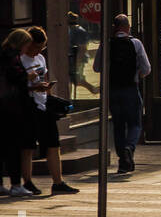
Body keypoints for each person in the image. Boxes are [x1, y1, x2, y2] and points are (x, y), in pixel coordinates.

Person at [18, 27, 75, 195]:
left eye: (42, 48)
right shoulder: (21, 60)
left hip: (43, 104)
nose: (38, 51)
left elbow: (45, 78)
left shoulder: (41, 58)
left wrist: (48, 92)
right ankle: (27, 181)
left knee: (53, 144)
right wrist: (34, 86)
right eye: (36, 47)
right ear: (28, 44)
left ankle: (58, 181)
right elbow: (17, 85)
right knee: (28, 146)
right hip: (29, 106)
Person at [93, 14, 151, 174]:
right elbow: (146, 69)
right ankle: (129, 148)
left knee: (118, 125)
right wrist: (137, 73)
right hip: (131, 89)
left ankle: (122, 161)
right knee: (135, 123)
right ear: (127, 27)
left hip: (112, 91)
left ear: (115, 27)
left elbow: (96, 67)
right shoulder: (135, 43)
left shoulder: (106, 44)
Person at [1, 29, 39, 196]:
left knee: (2, 147)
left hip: (3, 106)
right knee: (13, 148)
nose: (27, 48)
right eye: (26, 45)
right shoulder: (13, 57)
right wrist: (29, 77)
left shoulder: (2, 54)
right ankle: (16, 184)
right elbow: (15, 78)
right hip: (12, 107)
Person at [66, 12, 95, 95]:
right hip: (72, 59)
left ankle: (94, 89)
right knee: (72, 80)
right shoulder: (70, 29)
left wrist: (78, 62)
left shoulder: (79, 31)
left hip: (77, 59)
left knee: (77, 80)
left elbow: (82, 48)